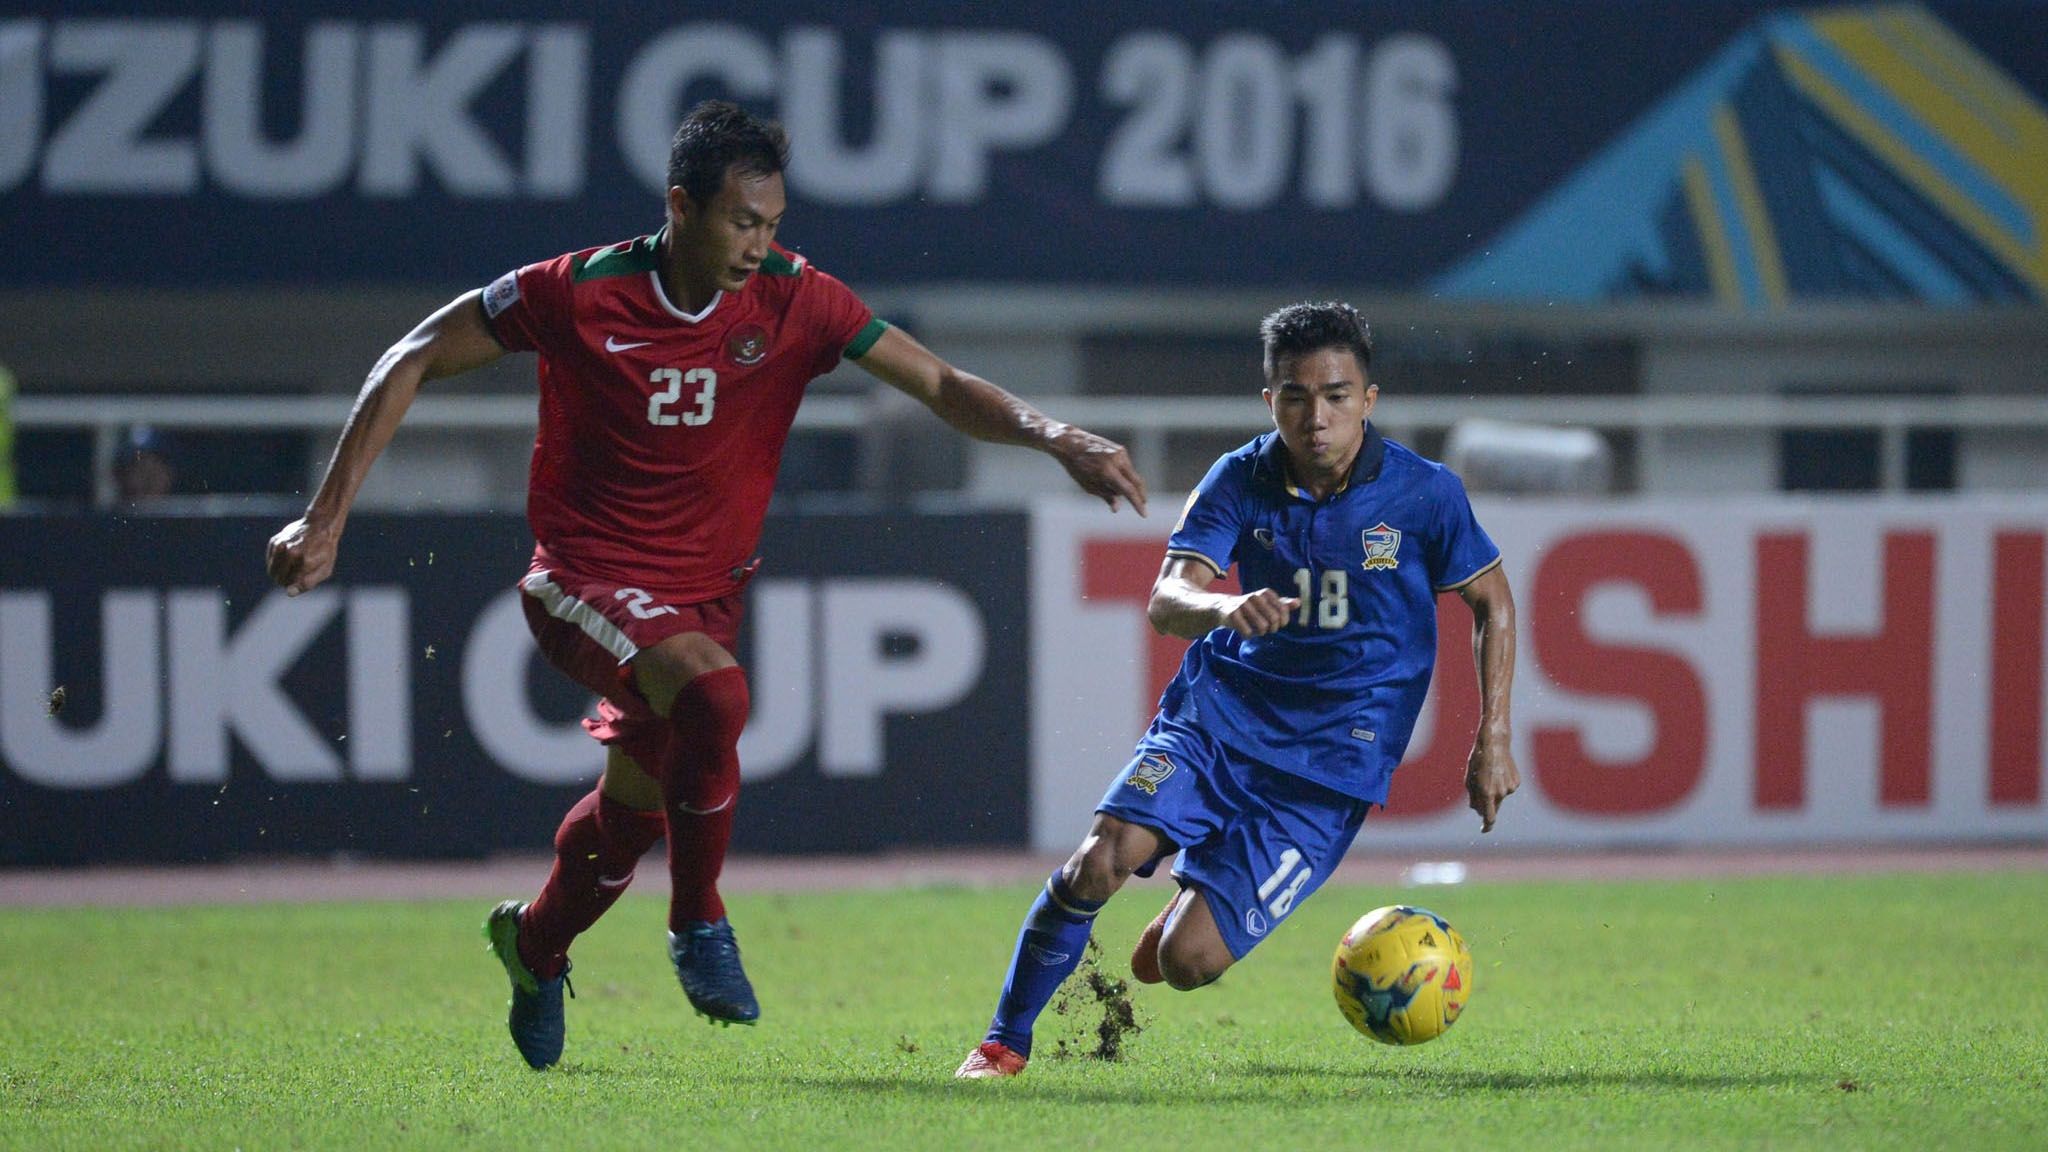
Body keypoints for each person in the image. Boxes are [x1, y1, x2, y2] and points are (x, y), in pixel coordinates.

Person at [264, 100, 1148, 1070]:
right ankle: (698, 924)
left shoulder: (794, 297)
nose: (758, 244)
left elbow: (937, 384)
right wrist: (326, 516)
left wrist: (1053, 434)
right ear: (680, 206)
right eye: (740, 222)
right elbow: (416, 354)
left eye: (771, 224)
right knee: (717, 694)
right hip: (582, 579)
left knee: (630, 821)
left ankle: (533, 944)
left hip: (701, 598)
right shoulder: (577, 291)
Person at [955, 301, 1518, 1078]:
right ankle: (1002, 1043)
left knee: (1187, 963)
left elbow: (1493, 601)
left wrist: (1492, 741)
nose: (1315, 418)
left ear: (1369, 400)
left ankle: (1188, 906)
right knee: (1097, 861)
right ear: (1269, 402)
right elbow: (1166, 600)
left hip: (1326, 770)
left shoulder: (1426, 495)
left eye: (1336, 396)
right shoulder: (1239, 478)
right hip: (1218, 720)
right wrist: (1224, 606)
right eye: (1295, 397)